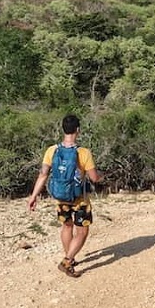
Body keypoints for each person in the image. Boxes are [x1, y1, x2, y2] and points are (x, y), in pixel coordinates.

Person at [27, 114, 101, 278]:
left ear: (63, 130)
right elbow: (94, 178)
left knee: (67, 226)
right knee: (82, 232)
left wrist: (33, 196)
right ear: (78, 130)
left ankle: (71, 259)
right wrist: (100, 176)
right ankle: (67, 261)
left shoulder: (52, 150)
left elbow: (43, 175)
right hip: (79, 199)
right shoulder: (83, 152)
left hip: (60, 197)